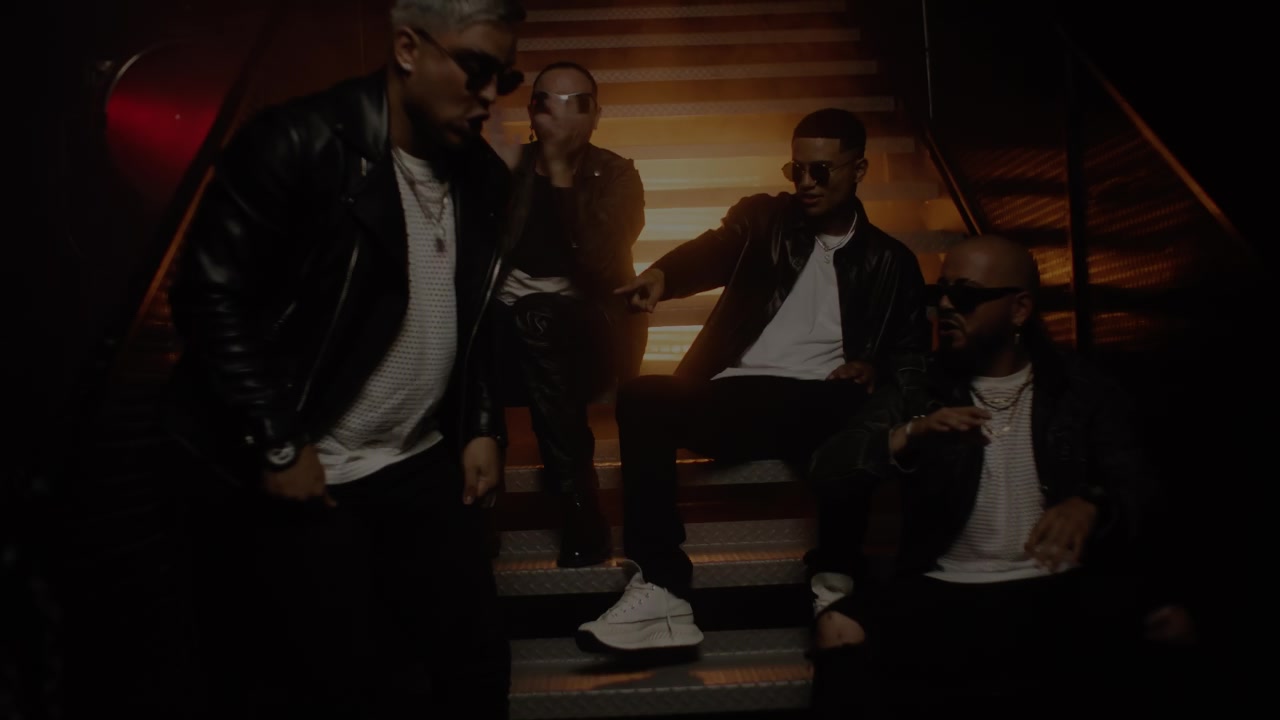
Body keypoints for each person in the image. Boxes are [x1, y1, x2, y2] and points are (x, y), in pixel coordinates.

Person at [163, 1, 526, 717]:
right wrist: (277, 440)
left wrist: (483, 421)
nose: (490, 95)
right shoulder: (299, 143)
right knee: (345, 685)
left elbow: (479, 307)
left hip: (418, 458)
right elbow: (208, 296)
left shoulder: (481, 174)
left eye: (503, 78)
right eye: (475, 68)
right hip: (315, 468)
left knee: (478, 667)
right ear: (407, 48)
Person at [575, 108, 931, 653]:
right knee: (643, 395)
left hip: (824, 403)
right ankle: (663, 589)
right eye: (796, 170)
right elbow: (715, 248)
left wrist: (876, 369)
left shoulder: (892, 262)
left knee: (858, 411)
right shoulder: (765, 220)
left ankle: (835, 585)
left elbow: (910, 355)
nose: (806, 183)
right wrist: (664, 275)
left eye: (820, 171)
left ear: (859, 169)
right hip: (737, 397)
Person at [806, 234, 1173, 718]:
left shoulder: (1079, 385)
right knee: (838, 626)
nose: (944, 306)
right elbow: (827, 468)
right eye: (940, 292)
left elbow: (1139, 480)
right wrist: (910, 434)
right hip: (945, 585)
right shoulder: (918, 387)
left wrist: (1092, 500)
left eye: (965, 295)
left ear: (1019, 309)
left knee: (1167, 620)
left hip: (1054, 582)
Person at [494, 61, 646, 567]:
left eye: (577, 103)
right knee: (477, 326)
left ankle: (579, 501)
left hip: (591, 337)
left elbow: (599, 261)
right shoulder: (505, 169)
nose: (561, 114)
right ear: (531, 112)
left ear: (596, 115)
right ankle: (478, 505)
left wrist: (560, 174)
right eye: (547, 102)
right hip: (509, 339)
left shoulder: (617, 175)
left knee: (534, 315)